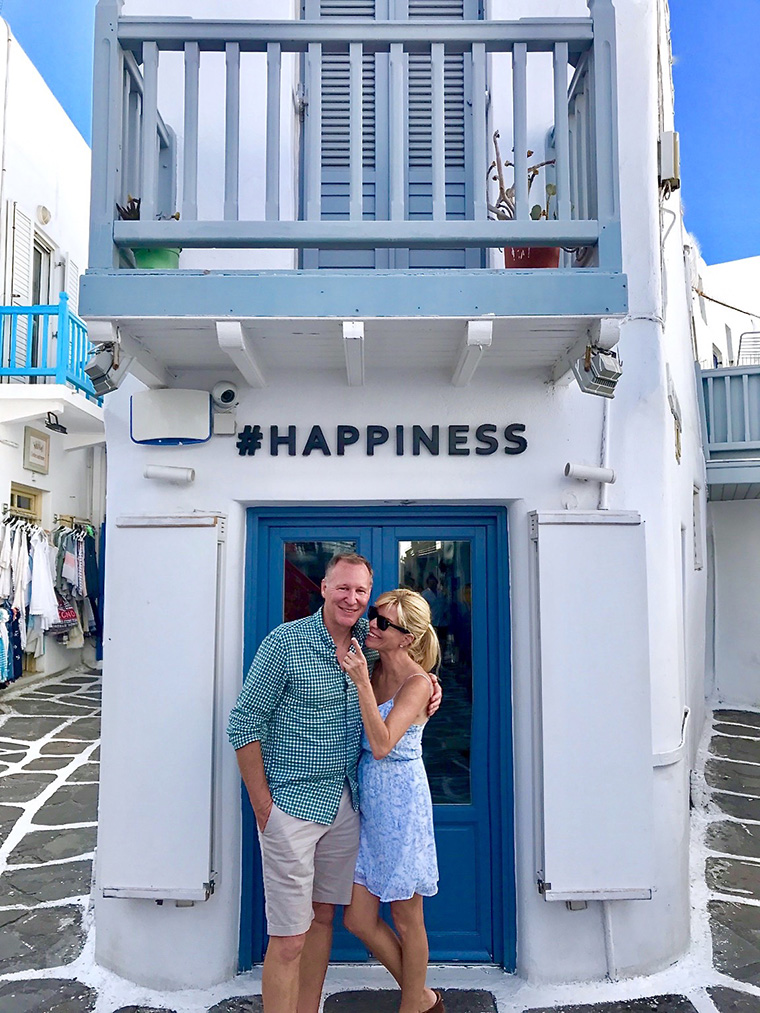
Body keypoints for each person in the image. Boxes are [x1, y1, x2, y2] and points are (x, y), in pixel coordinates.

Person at [227, 553, 441, 1013]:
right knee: (289, 938)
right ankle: (418, 997)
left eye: (362, 592)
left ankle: (405, 1000)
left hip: (348, 805)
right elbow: (243, 723)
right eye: (343, 588)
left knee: (324, 917)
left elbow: (407, 660)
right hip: (293, 804)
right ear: (323, 588)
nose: (354, 600)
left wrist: (429, 684)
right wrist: (263, 806)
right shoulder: (286, 643)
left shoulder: (369, 641)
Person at [341, 589, 444, 1013]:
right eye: (374, 615)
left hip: (402, 805)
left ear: (407, 638)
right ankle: (421, 997)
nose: (372, 624)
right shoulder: (370, 664)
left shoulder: (418, 684)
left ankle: (411, 1007)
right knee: (358, 918)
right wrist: (363, 678)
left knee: (406, 915)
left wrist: (362, 683)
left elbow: (382, 744)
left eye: (384, 623)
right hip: (369, 805)